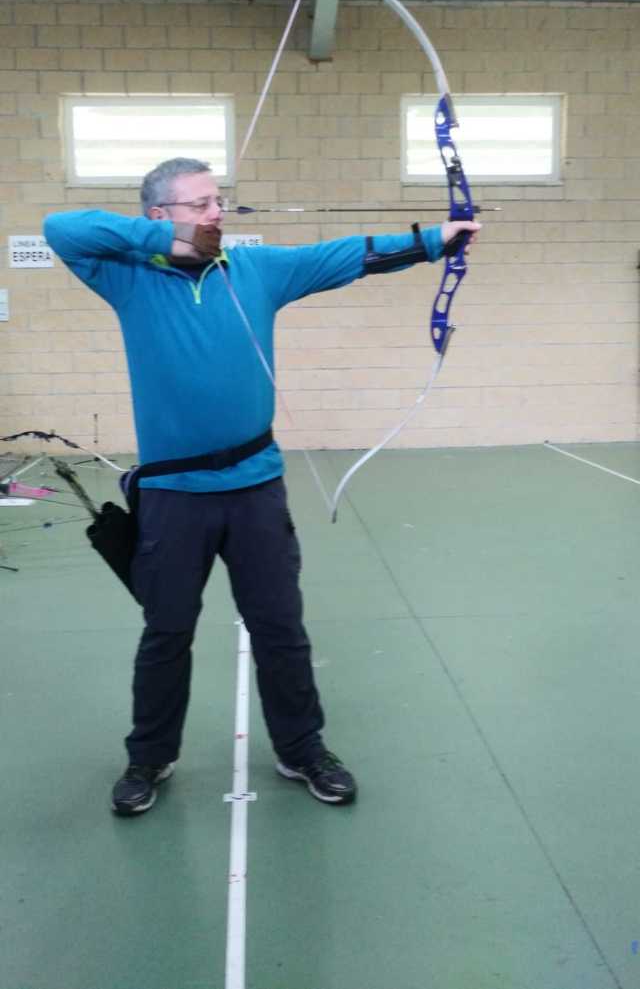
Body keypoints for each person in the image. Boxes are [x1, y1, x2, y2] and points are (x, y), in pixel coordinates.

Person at [43, 157, 480, 817]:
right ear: (159, 215)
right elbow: (61, 226)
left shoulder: (254, 270)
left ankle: (302, 749)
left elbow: (346, 256)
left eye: (218, 201)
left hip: (255, 489)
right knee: (167, 631)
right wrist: (169, 241)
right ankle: (149, 756)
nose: (217, 212)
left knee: (279, 627)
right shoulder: (127, 275)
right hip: (173, 496)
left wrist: (432, 241)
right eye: (201, 204)